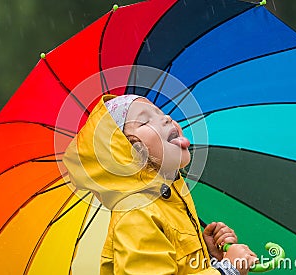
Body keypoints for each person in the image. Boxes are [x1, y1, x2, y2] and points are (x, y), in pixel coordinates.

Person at [63, 94, 257, 275]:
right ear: (125, 153)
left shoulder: (171, 198)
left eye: (161, 113)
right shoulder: (136, 215)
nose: (166, 118)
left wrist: (209, 257)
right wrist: (227, 269)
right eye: (145, 121)